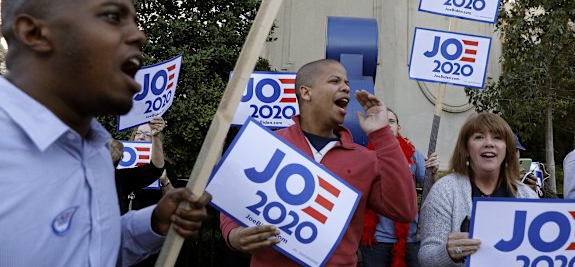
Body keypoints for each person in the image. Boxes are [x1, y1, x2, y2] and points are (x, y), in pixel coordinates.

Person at [0, 0, 211, 267]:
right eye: (111, 17)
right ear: (34, 33)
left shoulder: (95, 147)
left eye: (134, 22)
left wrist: (153, 222)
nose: (138, 36)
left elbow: (88, 251)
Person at [220, 59, 418, 266]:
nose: (346, 88)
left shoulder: (366, 160)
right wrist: (233, 235)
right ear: (306, 93)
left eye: (347, 84)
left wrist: (383, 134)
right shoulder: (267, 145)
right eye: (335, 81)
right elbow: (233, 199)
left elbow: (404, 210)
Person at [418, 113, 538, 267]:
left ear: (507, 149)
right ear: (466, 149)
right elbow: (425, 258)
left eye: (497, 137)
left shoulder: (527, 196)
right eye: (479, 137)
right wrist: (447, 253)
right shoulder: (444, 192)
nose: (489, 143)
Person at [360, 108, 439, 267]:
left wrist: (434, 173)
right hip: (376, 240)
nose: (387, 125)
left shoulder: (413, 153)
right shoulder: (365, 155)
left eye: (391, 121)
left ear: (398, 127)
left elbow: (431, 191)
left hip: (409, 239)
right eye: (383, 122)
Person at [116, 117, 178, 214]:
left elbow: (174, 201)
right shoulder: (122, 161)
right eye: (139, 133)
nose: (141, 137)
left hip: (151, 219)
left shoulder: (164, 166)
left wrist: (165, 181)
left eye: (147, 134)